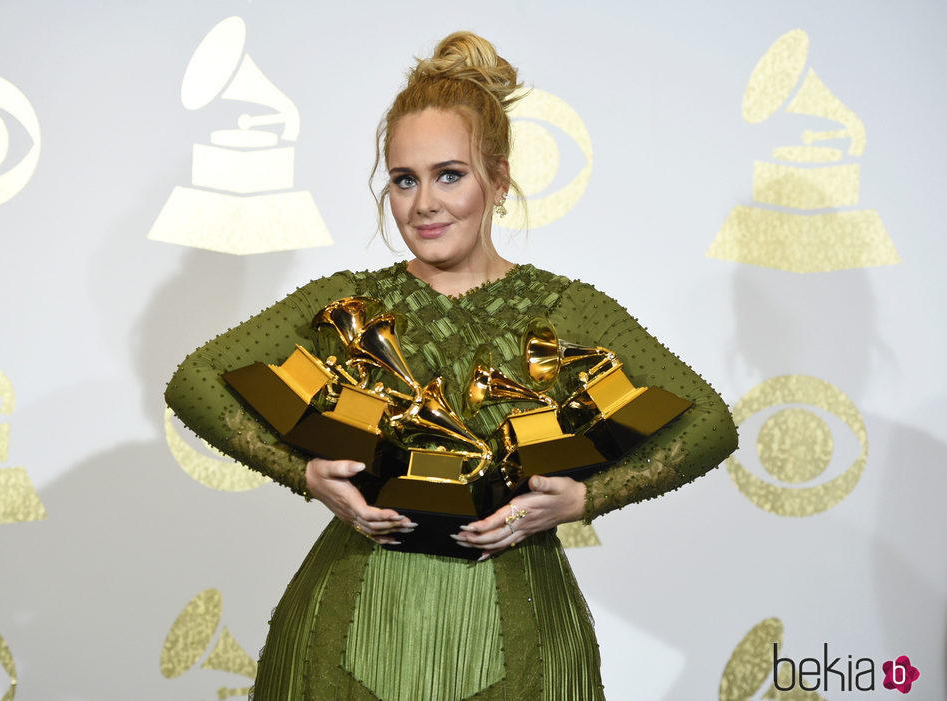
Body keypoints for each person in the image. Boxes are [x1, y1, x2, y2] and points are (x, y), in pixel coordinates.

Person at [166, 31, 738, 700]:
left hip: (522, 645)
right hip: (340, 640)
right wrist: (306, 475)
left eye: (449, 175)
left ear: (498, 181)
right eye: (404, 180)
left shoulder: (568, 308)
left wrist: (587, 498)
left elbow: (710, 422)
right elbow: (195, 380)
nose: (423, 203)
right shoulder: (347, 301)